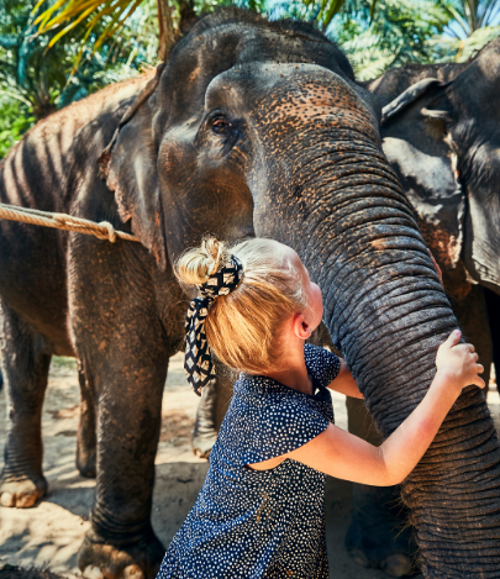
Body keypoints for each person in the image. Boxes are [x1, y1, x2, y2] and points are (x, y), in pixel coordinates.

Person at [157, 236, 485, 579]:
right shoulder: (277, 418)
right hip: (230, 569)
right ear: (302, 325)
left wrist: (421, 299)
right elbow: (386, 465)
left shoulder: (302, 362)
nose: (316, 283)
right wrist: (447, 383)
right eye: (308, 278)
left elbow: (368, 386)